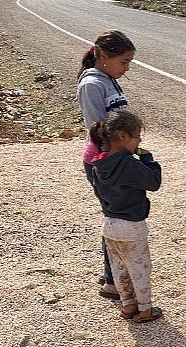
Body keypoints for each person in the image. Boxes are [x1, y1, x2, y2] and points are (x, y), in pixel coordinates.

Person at [76, 29, 135, 299]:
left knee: (118, 215)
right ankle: (113, 281)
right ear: (102, 56)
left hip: (118, 158)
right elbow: (97, 129)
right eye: (123, 62)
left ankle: (114, 273)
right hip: (105, 162)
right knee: (117, 217)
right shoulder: (92, 85)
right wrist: (118, 155)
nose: (127, 68)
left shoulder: (108, 79)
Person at [89, 110, 163, 323]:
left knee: (119, 268)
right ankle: (146, 310)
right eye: (137, 136)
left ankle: (128, 305)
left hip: (109, 224)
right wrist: (148, 158)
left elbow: (99, 194)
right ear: (123, 136)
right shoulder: (129, 164)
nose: (139, 141)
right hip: (132, 226)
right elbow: (154, 182)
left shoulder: (99, 164)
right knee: (139, 269)